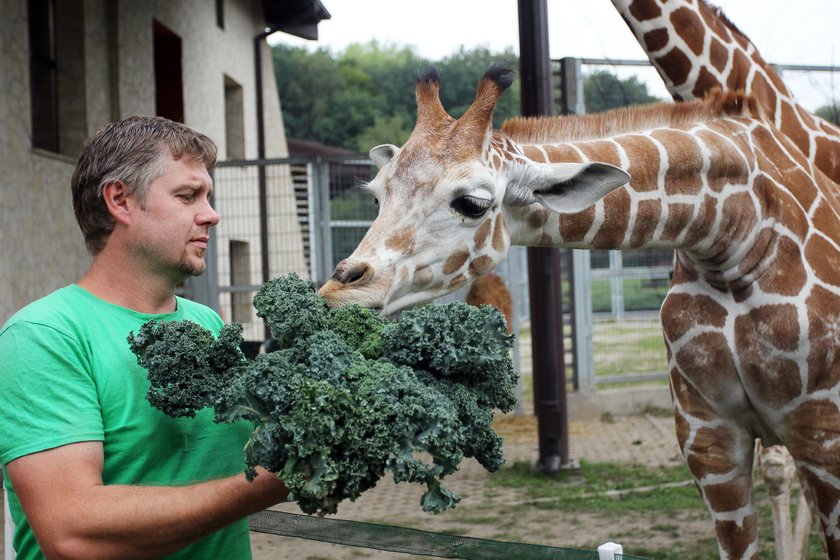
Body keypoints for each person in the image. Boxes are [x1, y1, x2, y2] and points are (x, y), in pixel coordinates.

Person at [0, 116, 288, 559]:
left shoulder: (208, 325)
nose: (211, 215)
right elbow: (73, 534)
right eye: (188, 195)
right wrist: (269, 486)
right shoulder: (44, 337)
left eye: (208, 196)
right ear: (120, 200)